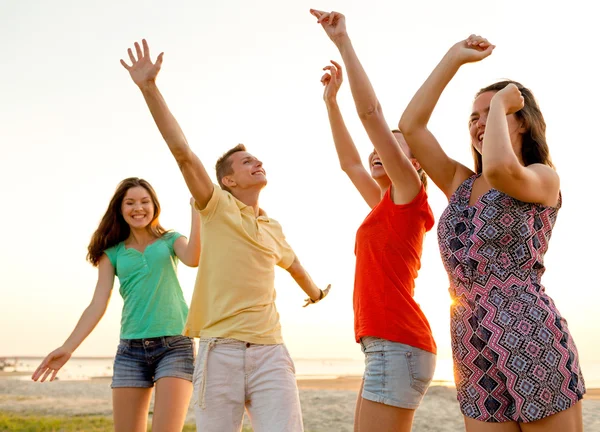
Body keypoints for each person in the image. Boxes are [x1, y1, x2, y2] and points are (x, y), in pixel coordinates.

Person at [120, 39, 330, 432]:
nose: (258, 163)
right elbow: (182, 152)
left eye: (258, 159)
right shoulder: (215, 206)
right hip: (220, 353)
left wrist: (317, 292)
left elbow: (294, 264)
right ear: (228, 180)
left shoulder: (272, 227)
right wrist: (149, 88)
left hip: (271, 352)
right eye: (247, 161)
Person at [399, 35, 586, 431]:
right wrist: (453, 58)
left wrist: (502, 103)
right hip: (470, 340)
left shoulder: (542, 178)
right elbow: (410, 126)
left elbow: (502, 170)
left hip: (529, 332)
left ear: (523, 121)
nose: (481, 123)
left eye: (493, 113)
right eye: (474, 117)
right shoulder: (460, 183)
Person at [311, 10, 436, 432]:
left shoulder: (408, 195)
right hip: (384, 345)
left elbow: (371, 116)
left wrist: (343, 42)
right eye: (378, 149)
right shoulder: (384, 204)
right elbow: (349, 162)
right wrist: (330, 102)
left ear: (413, 164)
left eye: (393, 146)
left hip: (398, 343)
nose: (378, 150)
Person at [32, 177, 201, 432]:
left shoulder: (171, 240)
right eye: (130, 202)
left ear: (154, 206)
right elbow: (97, 304)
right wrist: (68, 348)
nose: (138, 208)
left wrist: (197, 211)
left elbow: (194, 258)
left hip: (175, 346)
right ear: (120, 209)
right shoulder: (112, 252)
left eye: (145, 202)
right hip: (130, 351)